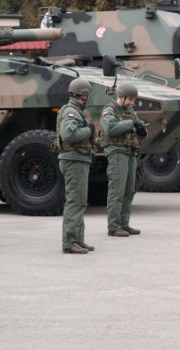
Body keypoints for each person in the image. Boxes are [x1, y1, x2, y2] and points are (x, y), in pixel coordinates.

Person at [57, 77, 97, 254]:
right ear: (83, 95)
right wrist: (88, 130)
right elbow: (68, 134)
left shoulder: (75, 110)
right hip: (73, 159)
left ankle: (78, 239)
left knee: (80, 201)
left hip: (78, 159)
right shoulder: (71, 112)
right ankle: (70, 242)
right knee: (75, 201)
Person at [101, 82, 146, 237]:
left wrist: (141, 128)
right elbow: (110, 128)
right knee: (117, 190)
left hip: (130, 152)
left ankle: (124, 223)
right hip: (117, 152)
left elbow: (139, 130)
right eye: (130, 99)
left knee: (129, 189)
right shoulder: (109, 111)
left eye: (134, 100)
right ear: (121, 96)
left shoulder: (130, 112)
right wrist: (131, 123)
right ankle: (113, 226)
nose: (132, 102)